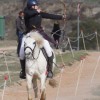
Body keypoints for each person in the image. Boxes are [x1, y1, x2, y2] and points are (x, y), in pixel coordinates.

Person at [19, 0, 66, 79]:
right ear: (32, 6)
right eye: (36, 5)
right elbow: (29, 13)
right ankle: (23, 71)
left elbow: (49, 15)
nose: (37, 6)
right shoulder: (26, 12)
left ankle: (50, 71)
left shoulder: (39, 13)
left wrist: (61, 17)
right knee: (21, 53)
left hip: (39, 34)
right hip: (29, 34)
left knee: (48, 49)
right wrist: (36, 11)